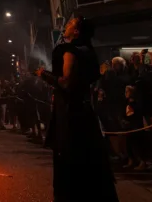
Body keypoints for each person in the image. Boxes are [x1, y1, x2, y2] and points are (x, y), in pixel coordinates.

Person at [36, 15, 118, 201]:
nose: (65, 26)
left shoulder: (71, 51)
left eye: (70, 24)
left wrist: (44, 75)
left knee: (71, 158)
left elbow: (66, 83)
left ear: (76, 31)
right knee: (89, 159)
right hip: (83, 110)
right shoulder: (89, 51)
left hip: (71, 114)